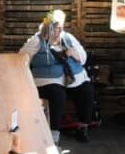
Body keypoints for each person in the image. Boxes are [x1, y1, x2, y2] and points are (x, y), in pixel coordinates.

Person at [20, 9, 94, 142]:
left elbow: (83, 58)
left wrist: (73, 54)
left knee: (86, 90)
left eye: (60, 28)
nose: (58, 31)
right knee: (57, 94)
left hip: (72, 78)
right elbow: (22, 59)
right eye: (55, 28)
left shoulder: (68, 38)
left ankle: (82, 127)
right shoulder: (37, 41)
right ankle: (54, 135)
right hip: (47, 80)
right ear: (47, 27)